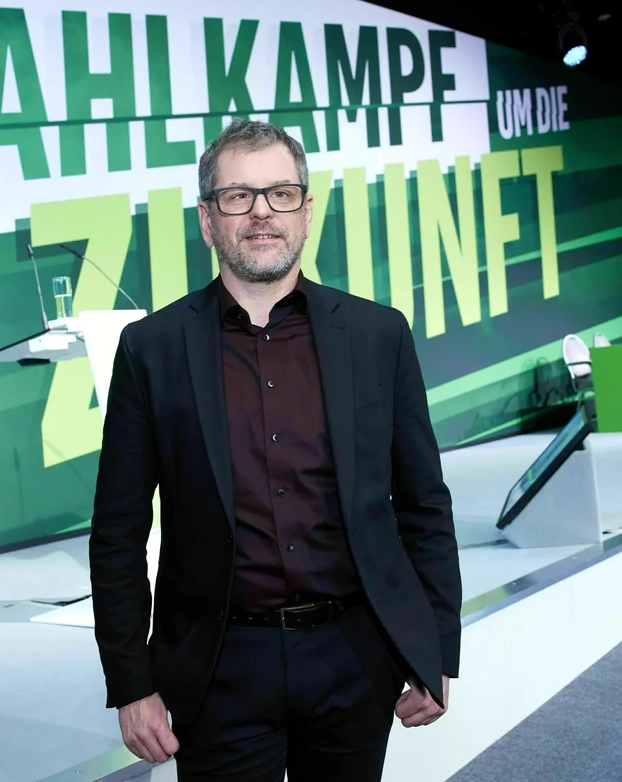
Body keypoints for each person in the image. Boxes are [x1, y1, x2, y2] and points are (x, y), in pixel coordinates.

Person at [89, 118, 461, 781]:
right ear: (207, 221)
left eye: (280, 194)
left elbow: (424, 505)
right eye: (238, 196)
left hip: (356, 656)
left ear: (306, 211)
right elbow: (118, 532)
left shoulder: (378, 335)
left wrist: (435, 647)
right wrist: (130, 681)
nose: (261, 212)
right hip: (218, 668)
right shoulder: (153, 349)